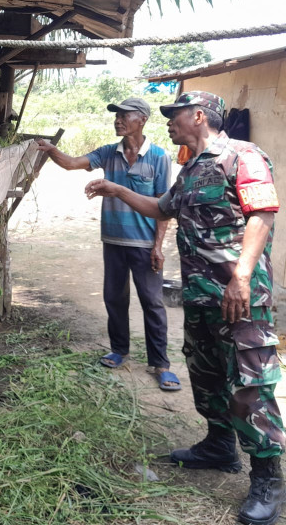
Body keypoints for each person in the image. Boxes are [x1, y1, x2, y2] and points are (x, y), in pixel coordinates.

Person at [85, 91, 285, 525]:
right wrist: (116, 188)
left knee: (249, 382)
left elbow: (262, 215)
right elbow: (161, 207)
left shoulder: (243, 155)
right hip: (200, 294)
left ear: (198, 116)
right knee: (207, 373)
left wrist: (243, 276)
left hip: (239, 296)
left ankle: (269, 477)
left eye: (174, 116)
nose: (169, 123)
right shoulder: (191, 169)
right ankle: (218, 446)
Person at [36, 97, 180, 391]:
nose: (118, 120)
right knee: (114, 298)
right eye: (116, 116)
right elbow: (71, 164)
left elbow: (165, 206)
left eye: (124, 115)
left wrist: (158, 246)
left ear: (142, 120)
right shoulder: (108, 153)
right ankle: (119, 350)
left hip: (143, 244)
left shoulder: (159, 157)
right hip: (113, 240)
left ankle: (161, 364)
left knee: (152, 303)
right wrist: (51, 150)